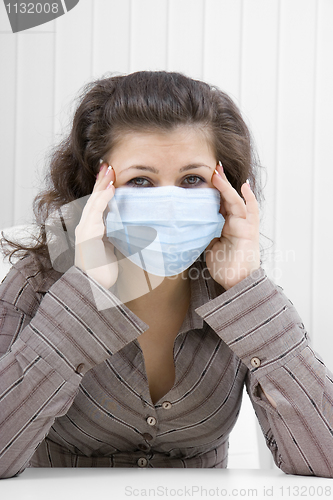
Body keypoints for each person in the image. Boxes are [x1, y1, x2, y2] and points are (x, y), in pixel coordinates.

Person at [0, 71, 332, 479]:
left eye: (192, 179)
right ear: (96, 187)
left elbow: (326, 458)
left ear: (225, 188)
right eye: (141, 181)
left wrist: (248, 290)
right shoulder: (37, 281)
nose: (170, 203)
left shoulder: (238, 290)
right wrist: (86, 291)